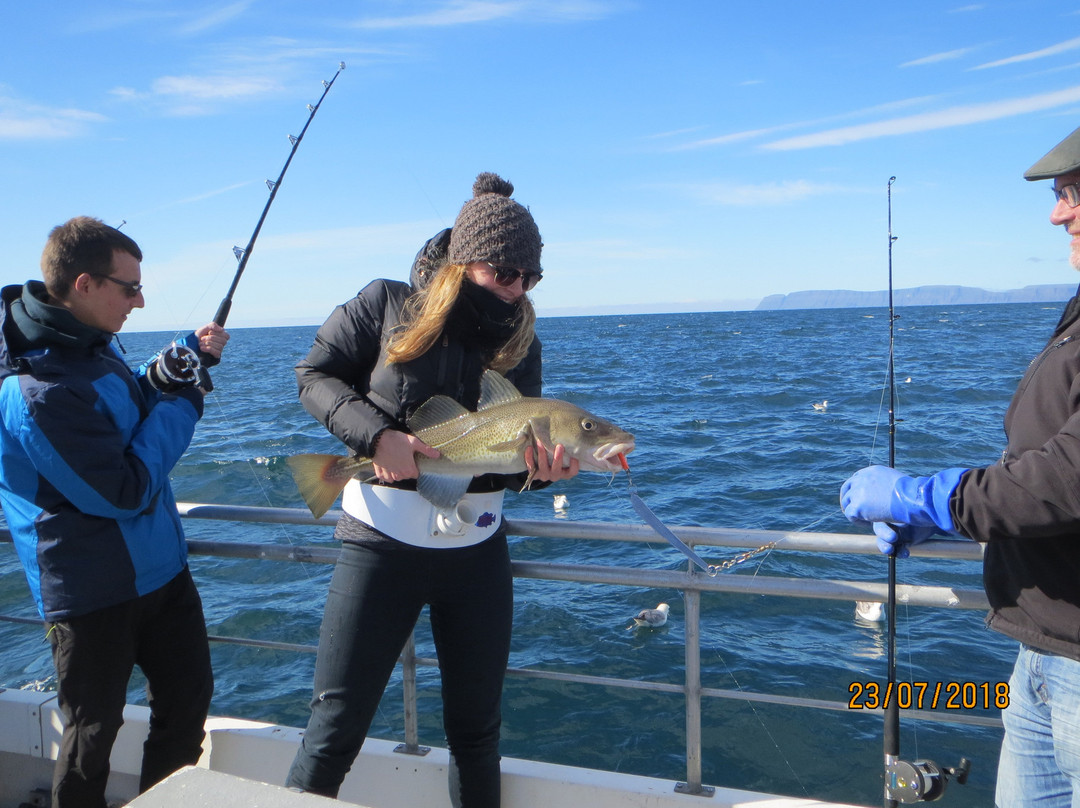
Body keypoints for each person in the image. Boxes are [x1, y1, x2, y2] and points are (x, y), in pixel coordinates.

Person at [285, 172, 578, 807]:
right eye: (506, 273)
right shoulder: (385, 304)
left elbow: (501, 461)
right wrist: (375, 438)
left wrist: (537, 472)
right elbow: (313, 374)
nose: (518, 290)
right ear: (466, 261)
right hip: (379, 546)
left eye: (530, 278)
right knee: (336, 725)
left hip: (476, 552)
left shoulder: (520, 340)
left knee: (477, 734)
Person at [839, 125, 1080, 807]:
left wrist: (926, 497)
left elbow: (1068, 478)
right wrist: (951, 521)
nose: (1057, 212)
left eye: (1072, 192)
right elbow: (1039, 472)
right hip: (1043, 651)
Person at [0, 216, 229, 807]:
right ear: (83, 284)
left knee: (186, 707)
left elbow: (122, 411)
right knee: (92, 735)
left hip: (162, 573)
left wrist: (174, 365)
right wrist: (187, 399)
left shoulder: (93, 349)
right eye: (129, 288)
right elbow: (121, 489)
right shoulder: (34, 390)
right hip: (89, 592)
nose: (140, 299)